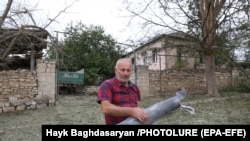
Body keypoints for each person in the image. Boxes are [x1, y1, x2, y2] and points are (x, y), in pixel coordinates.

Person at [97, 58, 148, 125]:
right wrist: (132, 111)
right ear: (116, 70)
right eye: (123, 70)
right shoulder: (107, 85)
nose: (126, 73)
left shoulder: (135, 88)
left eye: (128, 70)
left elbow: (137, 107)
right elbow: (106, 108)